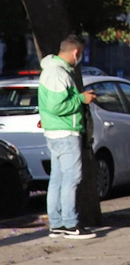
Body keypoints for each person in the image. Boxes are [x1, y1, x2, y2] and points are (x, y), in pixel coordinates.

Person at [38, 35, 97, 239]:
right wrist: (82, 99)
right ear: (76, 52)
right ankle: (69, 224)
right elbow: (57, 106)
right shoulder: (57, 73)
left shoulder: (53, 70)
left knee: (58, 178)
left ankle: (57, 223)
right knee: (71, 178)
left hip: (56, 132)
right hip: (65, 132)